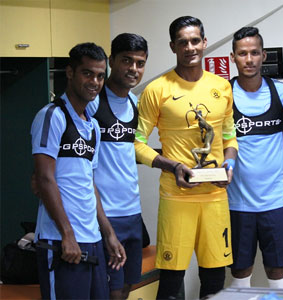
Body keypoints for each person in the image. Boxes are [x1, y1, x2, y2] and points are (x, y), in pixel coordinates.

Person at [134, 16, 238, 299]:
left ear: (204, 43)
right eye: (183, 42)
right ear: (173, 46)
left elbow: (229, 137)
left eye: (195, 41)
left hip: (215, 198)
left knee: (215, 280)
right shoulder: (157, 90)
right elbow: (136, 144)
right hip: (176, 198)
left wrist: (229, 165)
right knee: (170, 284)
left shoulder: (223, 87)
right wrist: (172, 165)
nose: (190, 47)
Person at [31, 42, 126, 299]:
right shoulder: (52, 116)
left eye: (100, 75)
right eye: (87, 73)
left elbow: (88, 184)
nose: (94, 81)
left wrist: (108, 233)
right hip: (61, 241)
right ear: (70, 72)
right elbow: (44, 178)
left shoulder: (93, 126)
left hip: (91, 240)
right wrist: (67, 234)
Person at [227, 27, 283, 289]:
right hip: (236, 203)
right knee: (240, 271)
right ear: (233, 57)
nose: (249, 59)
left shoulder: (282, 93)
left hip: (275, 200)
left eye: (255, 53)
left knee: (278, 270)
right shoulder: (223, 95)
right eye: (243, 53)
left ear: (263, 55)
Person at [85, 33, 148, 299]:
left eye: (140, 63)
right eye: (127, 61)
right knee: (108, 291)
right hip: (103, 214)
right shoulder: (92, 103)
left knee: (125, 288)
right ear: (111, 60)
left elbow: (128, 151)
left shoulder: (136, 102)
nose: (134, 69)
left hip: (132, 212)